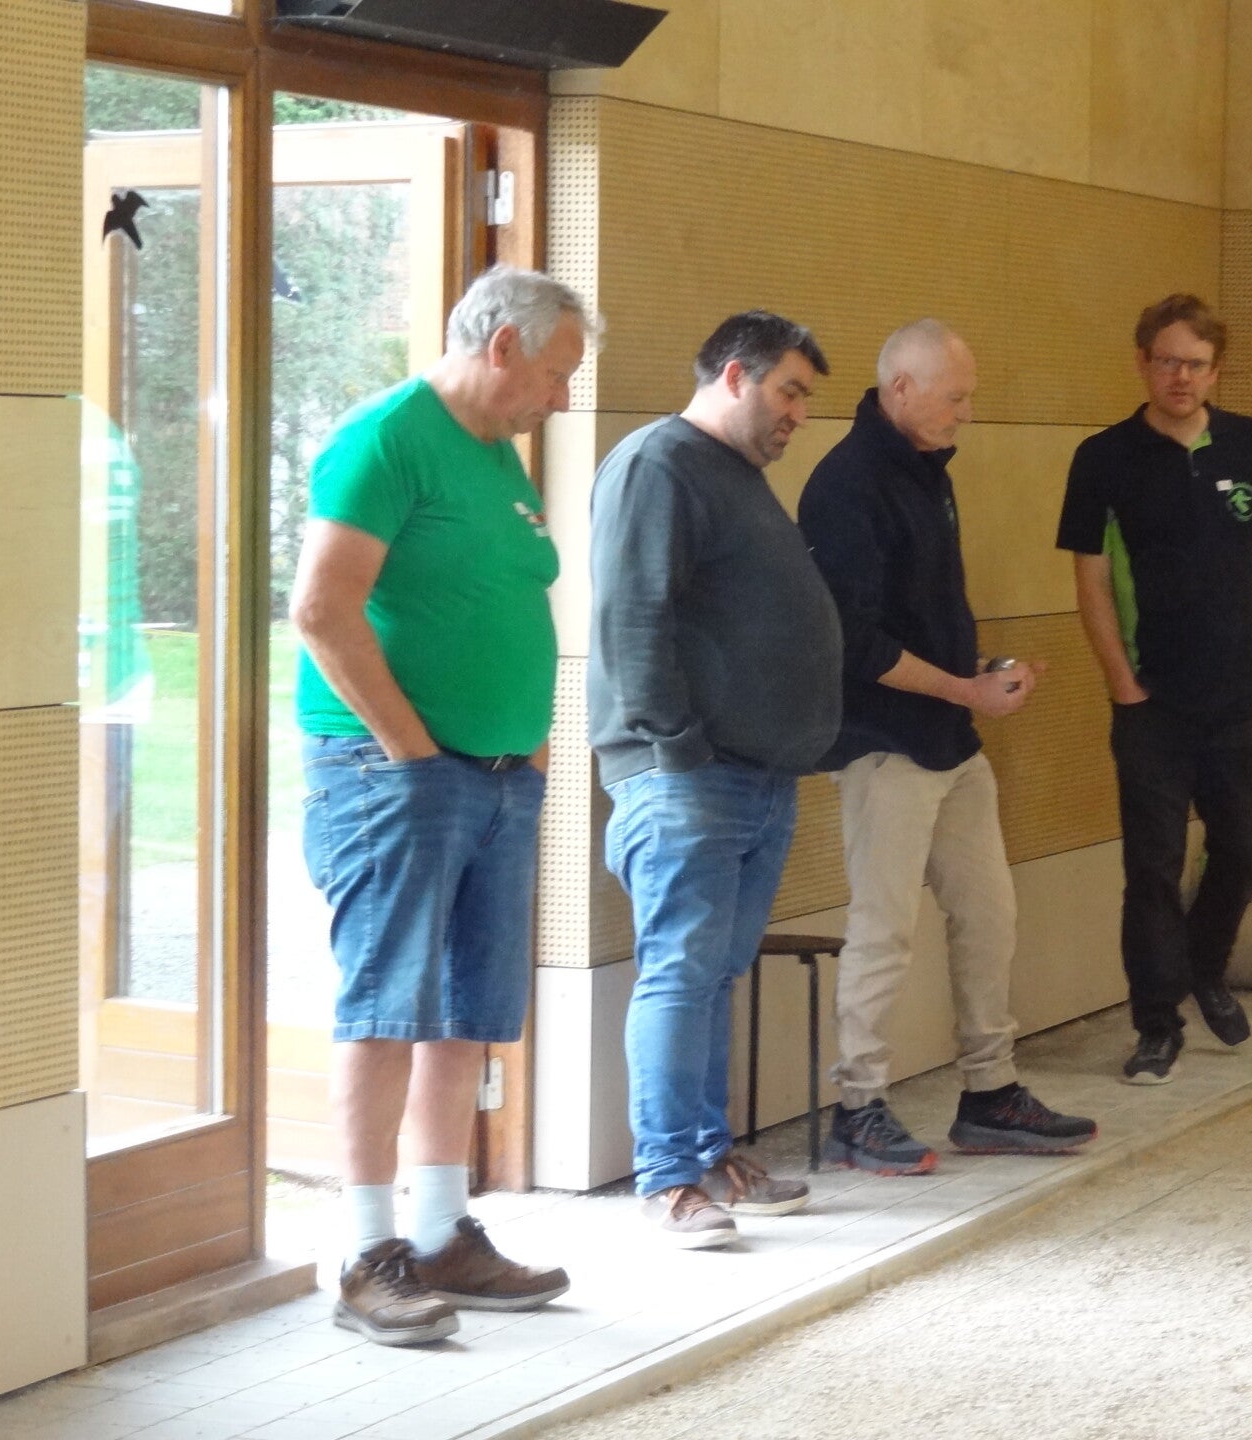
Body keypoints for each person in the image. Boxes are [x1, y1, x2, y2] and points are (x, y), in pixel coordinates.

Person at [291, 266, 596, 1344]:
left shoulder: (496, 451)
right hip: (398, 775)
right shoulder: (386, 440)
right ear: (503, 344)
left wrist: (527, 747)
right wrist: (412, 753)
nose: (562, 397)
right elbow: (321, 609)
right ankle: (366, 1255)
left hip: (500, 776)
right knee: (388, 1011)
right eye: (557, 373)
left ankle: (439, 1234)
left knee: (468, 1013)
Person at [798, 319, 1098, 1175]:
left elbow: (923, 615)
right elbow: (857, 642)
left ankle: (990, 1092)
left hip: (951, 738)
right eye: (954, 397)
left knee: (989, 914)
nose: (966, 413)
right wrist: (967, 690)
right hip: (882, 745)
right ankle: (858, 1108)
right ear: (901, 388)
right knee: (884, 927)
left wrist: (983, 673)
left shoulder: (930, 471)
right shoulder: (846, 485)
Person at [589, 311, 844, 1248]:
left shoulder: (733, 475)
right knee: (681, 972)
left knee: (713, 977)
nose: (798, 414)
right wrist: (678, 747)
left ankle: (709, 1156)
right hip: (689, 778)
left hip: (754, 778)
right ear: (734, 376)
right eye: (789, 391)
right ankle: (667, 1178)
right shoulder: (659, 464)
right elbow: (631, 617)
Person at [1055, 293, 1252, 1086]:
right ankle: (1157, 1024)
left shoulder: (1251, 443)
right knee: (1152, 867)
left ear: (1216, 371)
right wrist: (1120, 681)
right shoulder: (1104, 458)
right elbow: (1090, 580)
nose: (1180, 377)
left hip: (1237, 699)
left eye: (1195, 364)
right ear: (1142, 363)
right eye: (1166, 362)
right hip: (1151, 700)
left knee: (1247, 844)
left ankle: (1205, 966)